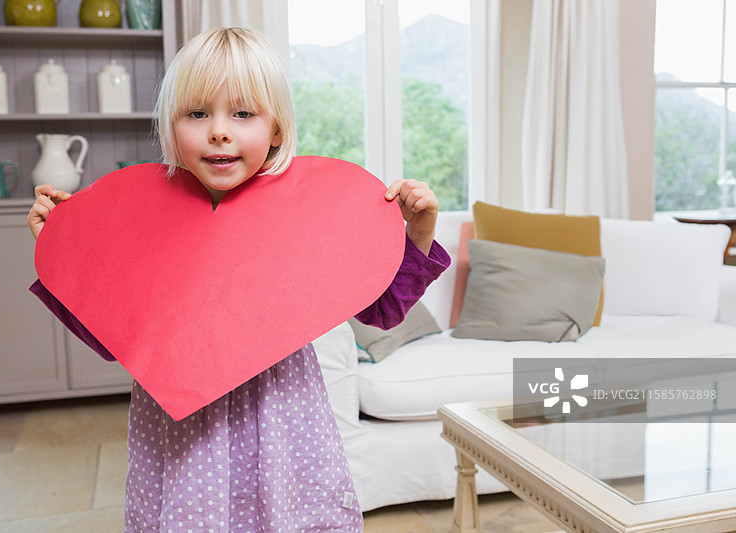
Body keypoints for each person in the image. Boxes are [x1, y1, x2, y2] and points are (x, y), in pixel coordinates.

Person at [27, 27, 450, 532]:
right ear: (171, 123)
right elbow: (112, 336)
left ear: (275, 128)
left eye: (243, 114)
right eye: (198, 114)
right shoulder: (145, 220)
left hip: (282, 420)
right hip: (183, 429)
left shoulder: (306, 215)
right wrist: (62, 252)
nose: (219, 131)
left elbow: (380, 310)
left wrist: (418, 233)